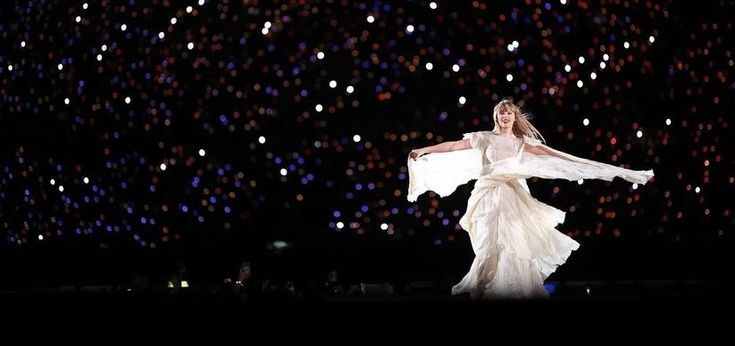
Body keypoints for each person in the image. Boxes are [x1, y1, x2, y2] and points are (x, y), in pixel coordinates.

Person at [407, 98, 654, 299]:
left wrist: (583, 164)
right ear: (496, 116)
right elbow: (452, 147)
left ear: (514, 118)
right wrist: (424, 150)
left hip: (511, 195)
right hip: (487, 194)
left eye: (509, 113)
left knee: (513, 243)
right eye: (501, 113)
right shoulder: (484, 138)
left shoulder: (522, 142)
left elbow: (554, 155)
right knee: (488, 244)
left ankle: (515, 292)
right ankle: (487, 289)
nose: (505, 116)